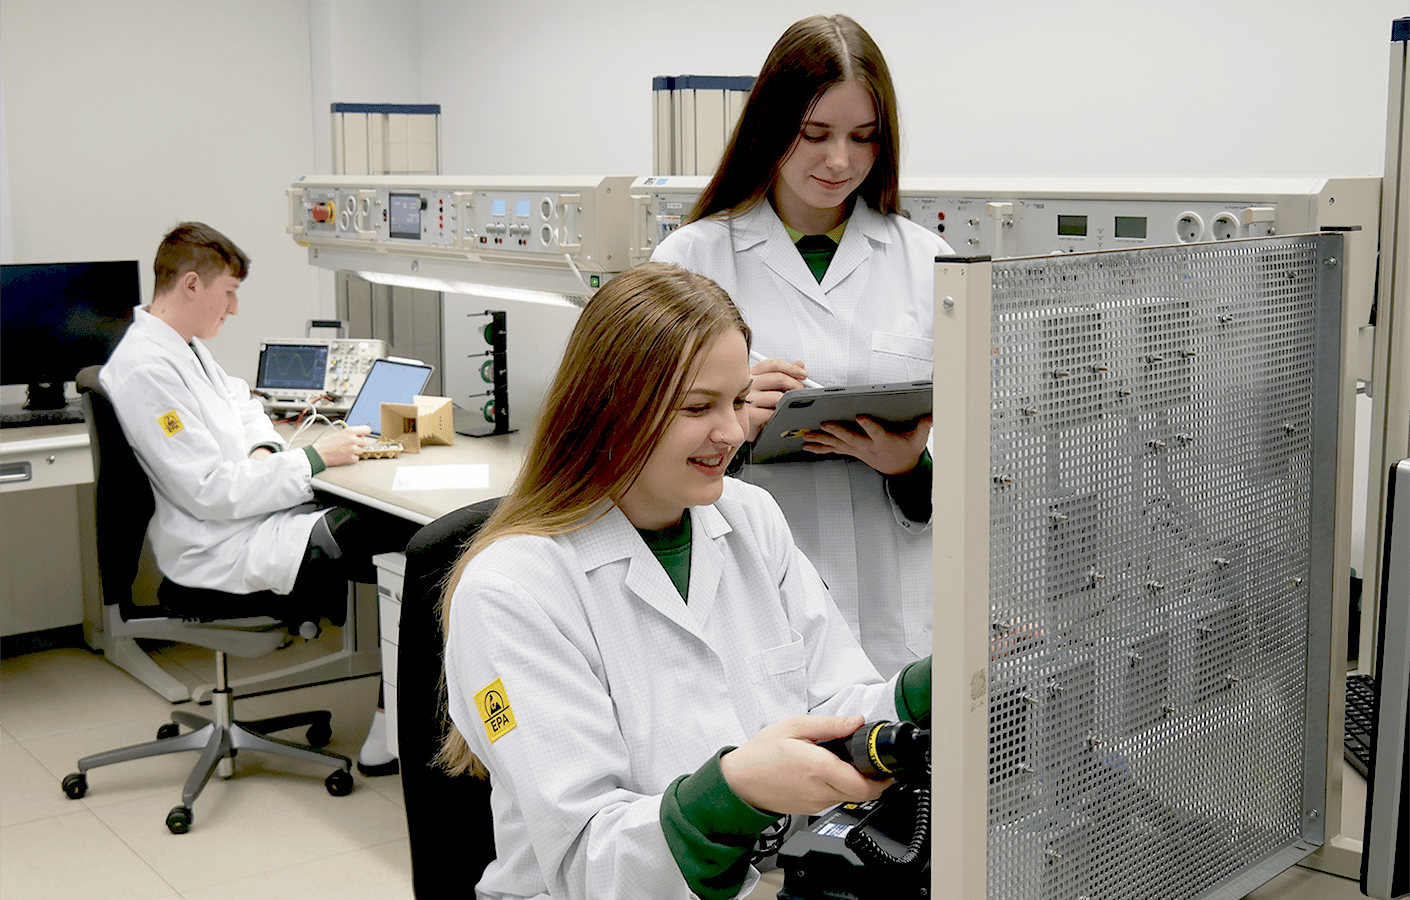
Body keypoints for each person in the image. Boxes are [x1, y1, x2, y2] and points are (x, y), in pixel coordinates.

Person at [439, 262, 931, 900]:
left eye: (737, 399)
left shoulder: (748, 517)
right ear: (610, 410)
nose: (732, 433)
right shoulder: (512, 588)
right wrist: (735, 794)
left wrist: (926, 692)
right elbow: (590, 857)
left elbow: (827, 712)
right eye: (699, 407)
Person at [651, 14, 951, 679]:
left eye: (862, 138)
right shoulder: (693, 260)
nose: (839, 161)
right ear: (771, 125)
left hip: (893, 610)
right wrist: (727, 421)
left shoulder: (927, 264)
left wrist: (911, 468)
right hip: (749, 599)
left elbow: (974, 464)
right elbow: (641, 456)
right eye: (815, 134)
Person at [101, 221, 413, 775]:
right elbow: (207, 489)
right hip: (216, 546)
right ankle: (397, 728)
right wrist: (315, 459)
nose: (235, 309)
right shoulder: (146, 368)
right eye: (230, 292)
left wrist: (268, 450)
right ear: (192, 285)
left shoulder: (183, 347)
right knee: (408, 541)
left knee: (394, 537)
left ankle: (400, 713)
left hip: (244, 518)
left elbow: (242, 400)